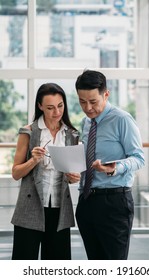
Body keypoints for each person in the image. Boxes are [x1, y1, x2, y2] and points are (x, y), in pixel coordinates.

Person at [75, 70, 145, 260]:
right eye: (82, 101)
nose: (88, 107)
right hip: (87, 201)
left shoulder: (122, 119)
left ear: (106, 94)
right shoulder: (85, 123)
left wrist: (115, 167)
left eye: (93, 101)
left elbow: (139, 158)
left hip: (114, 202)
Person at [11, 83, 80, 260]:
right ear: (40, 106)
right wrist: (33, 160)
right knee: (23, 264)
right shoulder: (29, 132)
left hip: (59, 210)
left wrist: (74, 177)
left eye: (60, 106)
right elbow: (16, 173)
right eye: (50, 107)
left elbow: (73, 176)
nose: (56, 112)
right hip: (30, 208)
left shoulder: (71, 134)